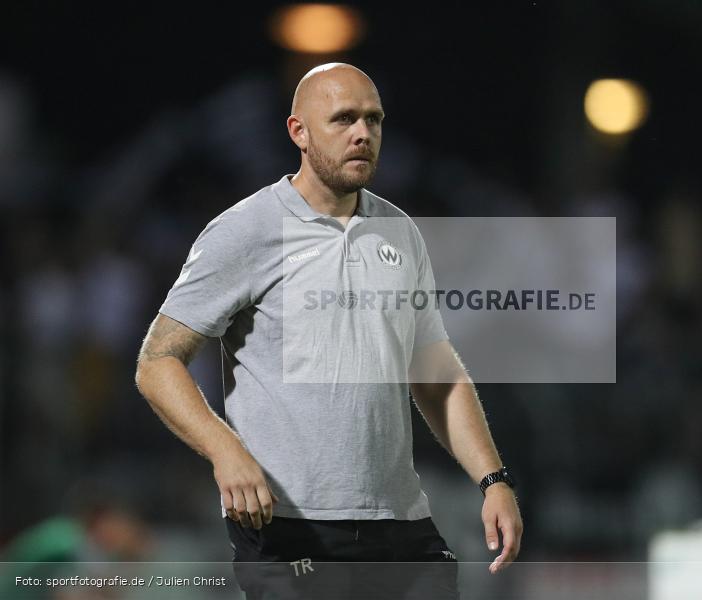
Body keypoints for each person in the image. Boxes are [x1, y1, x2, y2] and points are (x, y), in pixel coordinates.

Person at [134, 63, 522, 599]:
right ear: (299, 131)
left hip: (400, 523)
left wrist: (493, 481)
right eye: (343, 119)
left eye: (374, 120)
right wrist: (226, 450)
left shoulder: (400, 231)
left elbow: (435, 374)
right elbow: (157, 362)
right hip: (288, 527)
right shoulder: (247, 230)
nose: (363, 133)